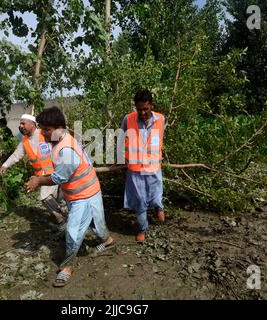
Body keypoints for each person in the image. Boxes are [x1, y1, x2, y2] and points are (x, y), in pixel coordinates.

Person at [25, 106, 114, 287]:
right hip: (84, 191)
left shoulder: (66, 149)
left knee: (74, 232)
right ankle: (107, 240)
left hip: (85, 195)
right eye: (42, 129)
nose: (43, 133)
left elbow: (59, 177)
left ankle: (66, 267)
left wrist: (38, 181)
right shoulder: (61, 140)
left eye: (47, 130)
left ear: (59, 128)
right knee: (96, 222)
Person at [0, 114, 68, 229]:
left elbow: (62, 141)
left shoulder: (45, 133)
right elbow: (16, 155)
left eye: (23, 123)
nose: (20, 126)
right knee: (53, 198)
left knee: (48, 197)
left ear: (32, 124)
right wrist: (5, 165)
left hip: (55, 171)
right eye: (20, 124)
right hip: (42, 176)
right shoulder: (25, 141)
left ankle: (63, 218)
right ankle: (64, 218)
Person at [121, 89, 165, 242]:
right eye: (139, 109)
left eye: (145, 109)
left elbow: (160, 138)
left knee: (157, 194)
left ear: (152, 105)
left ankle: (159, 208)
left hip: (154, 167)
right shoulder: (128, 119)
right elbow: (121, 140)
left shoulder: (161, 119)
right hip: (136, 169)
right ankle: (143, 229)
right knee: (140, 201)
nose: (142, 113)